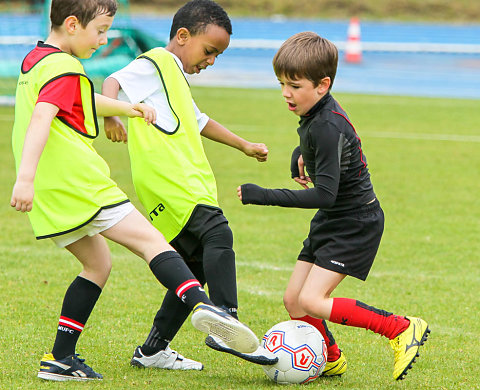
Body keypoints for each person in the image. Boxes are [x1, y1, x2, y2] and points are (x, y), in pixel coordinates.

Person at [10, 0, 259, 381]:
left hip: (51, 189)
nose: (105, 40)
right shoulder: (64, 65)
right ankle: (208, 309)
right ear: (73, 25)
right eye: (101, 31)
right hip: (77, 180)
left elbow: (76, 100)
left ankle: (61, 358)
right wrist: (23, 178)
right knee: (152, 242)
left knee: (98, 265)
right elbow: (44, 116)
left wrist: (128, 110)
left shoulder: (37, 61)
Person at [237, 31, 430, 381]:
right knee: (294, 300)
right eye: (282, 83)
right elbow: (324, 147)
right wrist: (302, 154)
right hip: (334, 218)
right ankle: (330, 358)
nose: (285, 93)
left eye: (294, 85)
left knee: (312, 300)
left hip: (356, 222)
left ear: (322, 85)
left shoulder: (326, 124)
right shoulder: (317, 112)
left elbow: (324, 193)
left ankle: (400, 328)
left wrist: (263, 194)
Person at [101, 0, 274, 370]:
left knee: (192, 266)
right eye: (209, 51)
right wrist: (112, 114)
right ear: (182, 36)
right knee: (218, 233)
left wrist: (243, 144)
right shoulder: (159, 62)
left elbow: (200, 121)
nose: (211, 60)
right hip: (174, 179)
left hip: (170, 183)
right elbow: (113, 80)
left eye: (218, 56)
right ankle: (226, 317)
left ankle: (152, 350)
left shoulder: (172, 79)